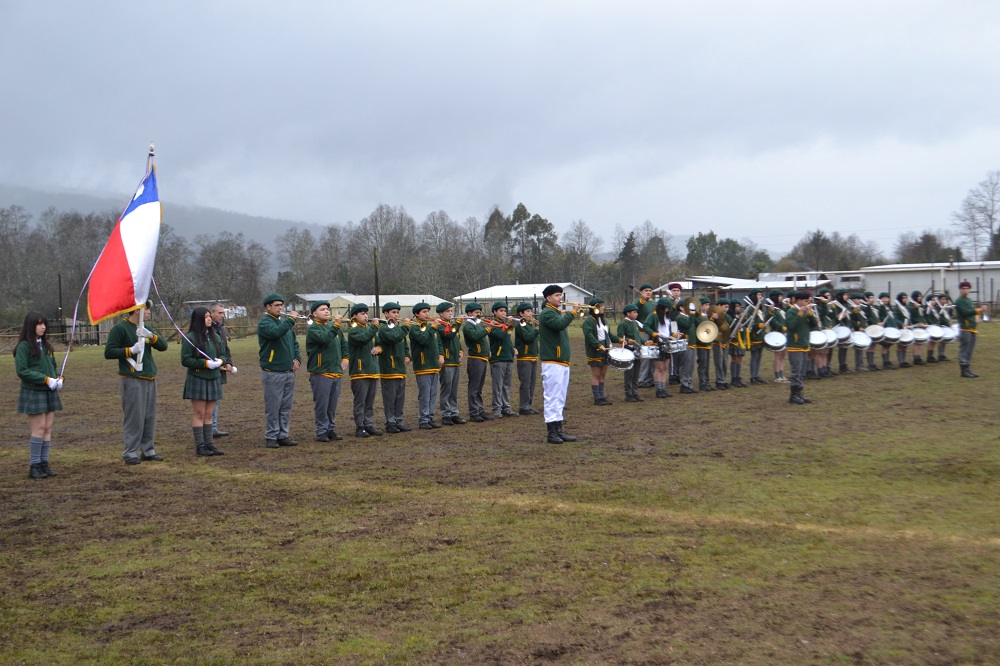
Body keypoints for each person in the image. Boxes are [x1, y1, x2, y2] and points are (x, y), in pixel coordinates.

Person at [105, 303, 169, 465]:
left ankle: (147, 449)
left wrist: (151, 336)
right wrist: (130, 350)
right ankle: (130, 451)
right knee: (134, 416)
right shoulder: (120, 329)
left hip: (149, 375)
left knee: (149, 416)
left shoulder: (145, 327)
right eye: (146, 309)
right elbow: (109, 352)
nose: (148, 312)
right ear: (136, 310)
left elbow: (163, 346)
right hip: (132, 376)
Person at [15, 312, 63, 479]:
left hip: (49, 391)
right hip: (34, 391)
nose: (43, 327)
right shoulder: (23, 347)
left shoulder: (46, 346)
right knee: (39, 428)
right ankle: (34, 465)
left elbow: (53, 366)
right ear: (31, 326)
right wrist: (45, 379)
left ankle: (44, 463)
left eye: (44, 324)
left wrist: (58, 378)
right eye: (39, 324)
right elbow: (22, 371)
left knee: (48, 429)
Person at [257, 293, 300, 448]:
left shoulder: (285, 323)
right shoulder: (265, 323)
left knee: (285, 406)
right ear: (268, 307)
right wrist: (291, 320)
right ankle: (271, 436)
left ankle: (283, 434)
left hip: (288, 372)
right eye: (276, 305)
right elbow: (275, 333)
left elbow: (294, 344)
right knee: (273, 407)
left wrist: (297, 358)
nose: (280, 308)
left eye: (281, 305)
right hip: (273, 371)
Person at [182, 307, 226, 457]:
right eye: (206, 317)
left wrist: (221, 360)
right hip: (198, 378)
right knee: (199, 413)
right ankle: (200, 446)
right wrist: (205, 364)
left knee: (209, 414)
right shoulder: (190, 337)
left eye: (209, 316)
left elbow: (224, 353)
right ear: (198, 319)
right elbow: (186, 360)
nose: (209, 319)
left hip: (214, 377)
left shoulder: (215, 336)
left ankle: (210, 444)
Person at [538, 285, 578, 444]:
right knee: (552, 397)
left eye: (561, 295)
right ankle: (552, 432)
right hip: (552, 361)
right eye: (556, 295)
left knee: (560, 397)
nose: (560, 298)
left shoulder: (554, 312)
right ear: (548, 298)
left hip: (561, 361)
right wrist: (573, 312)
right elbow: (560, 325)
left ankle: (559, 429)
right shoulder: (547, 313)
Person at [306, 300, 347, 442]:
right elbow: (324, 339)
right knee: (322, 404)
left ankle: (330, 429)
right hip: (321, 371)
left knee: (332, 404)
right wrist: (336, 325)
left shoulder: (333, 327)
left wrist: (345, 358)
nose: (327, 311)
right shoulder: (313, 328)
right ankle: (321, 430)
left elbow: (343, 344)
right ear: (314, 314)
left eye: (327, 309)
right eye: (322, 309)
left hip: (335, 371)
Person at [347, 303, 383, 436]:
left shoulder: (369, 329)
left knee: (370, 402)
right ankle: (360, 426)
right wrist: (374, 326)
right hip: (360, 372)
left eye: (366, 313)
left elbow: (378, 343)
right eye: (362, 313)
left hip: (372, 371)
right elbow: (363, 339)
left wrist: (379, 349)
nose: (365, 316)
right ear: (354, 316)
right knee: (360, 402)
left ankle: (369, 424)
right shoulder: (354, 331)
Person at [377, 302, 411, 433]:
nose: (397, 315)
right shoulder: (384, 328)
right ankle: (390, 422)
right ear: (386, 314)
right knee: (390, 398)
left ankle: (399, 420)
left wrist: (407, 355)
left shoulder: (399, 328)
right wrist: (405, 327)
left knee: (400, 398)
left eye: (397, 312)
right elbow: (394, 338)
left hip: (400, 369)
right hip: (389, 369)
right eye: (393, 313)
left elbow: (404, 345)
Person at [410, 302, 444, 429]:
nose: (427, 314)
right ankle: (423, 419)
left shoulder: (431, 328)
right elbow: (423, 339)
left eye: (428, 311)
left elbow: (438, 343)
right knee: (424, 394)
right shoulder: (414, 327)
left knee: (433, 394)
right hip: (423, 366)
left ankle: (429, 417)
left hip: (434, 365)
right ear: (416, 314)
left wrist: (440, 355)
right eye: (424, 312)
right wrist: (433, 327)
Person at [582, 297, 620, 405]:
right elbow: (589, 336)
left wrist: (620, 340)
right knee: (596, 375)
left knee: (603, 374)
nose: (603, 308)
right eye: (600, 306)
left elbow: (609, 335)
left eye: (603, 305)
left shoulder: (604, 321)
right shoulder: (588, 321)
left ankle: (602, 396)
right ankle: (597, 398)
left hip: (605, 350)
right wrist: (598, 345)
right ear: (594, 308)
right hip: (595, 351)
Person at [436, 302, 466, 425]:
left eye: (450, 311)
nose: (450, 313)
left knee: (454, 390)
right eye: (447, 311)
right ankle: (446, 414)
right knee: (446, 390)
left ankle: (454, 413)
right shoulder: (440, 326)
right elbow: (449, 335)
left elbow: (456, 340)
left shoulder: (451, 325)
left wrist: (460, 350)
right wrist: (458, 322)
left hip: (455, 362)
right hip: (447, 362)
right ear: (441, 313)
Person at [462, 302, 492, 422]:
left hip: (482, 357)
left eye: (479, 312)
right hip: (475, 359)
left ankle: (480, 409)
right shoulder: (468, 326)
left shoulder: (478, 324)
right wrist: (488, 329)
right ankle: (474, 412)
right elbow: (476, 336)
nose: (479, 315)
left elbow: (482, 339)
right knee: (474, 387)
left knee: (479, 387)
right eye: (476, 313)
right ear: (469, 313)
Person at [785, 291, 816, 405]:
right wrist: (799, 313)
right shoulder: (791, 312)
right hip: (795, 346)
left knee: (802, 371)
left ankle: (799, 393)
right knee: (796, 372)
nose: (808, 303)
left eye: (808, 301)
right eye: (805, 301)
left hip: (804, 345)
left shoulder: (806, 312)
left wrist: (810, 314)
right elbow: (791, 326)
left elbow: (814, 325)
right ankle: (793, 395)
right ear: (798, 301)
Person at [488, 301, 517, 417]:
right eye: (501, 311)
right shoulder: (492, 324)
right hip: (498, 358)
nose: (504, 313)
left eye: (505, 311)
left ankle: (506, 407)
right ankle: (497, 409)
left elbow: (507, 339)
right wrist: (506, 324)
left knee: (507, 385)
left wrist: (513, 348)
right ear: (495, 312)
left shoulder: (504, 325)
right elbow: (500, 336)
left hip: (508, 357)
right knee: (498, 385)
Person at [209, 303, 234, 437]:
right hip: (210, 369)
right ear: (211, 313)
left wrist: (228, 362)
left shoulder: (220, 329)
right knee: (211, 398)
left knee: (217, 398)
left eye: (223, 313)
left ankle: (213, 426)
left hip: (221, 367)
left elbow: (225, 348)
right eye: (219, 313)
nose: (222, 315)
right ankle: (209, 427)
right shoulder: (207, 329)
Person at [513, 302, 540, 415]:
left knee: (532, 383)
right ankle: (523, 406)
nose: (531, 314)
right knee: (525, 383)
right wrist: (537, 330)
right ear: (521, 313)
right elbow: (527, 338)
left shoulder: (530, 324)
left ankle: (529, 404)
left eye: (531, 311)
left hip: (533, 356)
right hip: (524, 357)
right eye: (528, 312)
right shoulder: (521, 324)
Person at [645, 296, 675, 398]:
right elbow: (646, 326)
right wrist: (654, 334)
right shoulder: (653, 315)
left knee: (665, 367)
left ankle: (663, 388)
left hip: (667, 342)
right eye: (665, 308)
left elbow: (668, 330)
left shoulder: (668, 318)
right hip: (657, 343)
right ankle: (658, 390)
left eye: (668, 308)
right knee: (659, 368)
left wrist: (674, 335)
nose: (667, 310)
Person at [618, 304, 644, 402]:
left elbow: (638, 337)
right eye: (634, 312)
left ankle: (635, 393)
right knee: (629, 373)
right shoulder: (623, 324)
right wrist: (628, 341)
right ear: (628, 313)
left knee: (636, 373)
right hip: (628, 352)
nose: (636, 314)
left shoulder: (635, 323)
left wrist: (644, 342)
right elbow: (620, 337)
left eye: (636, 312)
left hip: (637, 351)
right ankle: (628, 394)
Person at [955, 280, 980, 378]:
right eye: (963, 288)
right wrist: (977, 310)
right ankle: (963, 370)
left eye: (967, 288)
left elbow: (972, 311)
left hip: (972, 328)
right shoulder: (959, 301)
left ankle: (968, 369)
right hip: (965, 328)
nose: (965, 290)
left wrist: (977, 315)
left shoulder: (969, 300)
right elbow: (966, 312)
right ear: (960, 290)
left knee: (970, 350)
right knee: (964, 349)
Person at [633, 283, 656, 388]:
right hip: (643, 333)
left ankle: (650, 379)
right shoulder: (638, 302)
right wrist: (642, 301)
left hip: (653, 333)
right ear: (641, 292)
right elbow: (633, 310)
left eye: (650, 290)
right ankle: (641, 379)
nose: (648, 292)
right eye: (646, 290)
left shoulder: (654, 303)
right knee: (644, 358)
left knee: (653, 357)